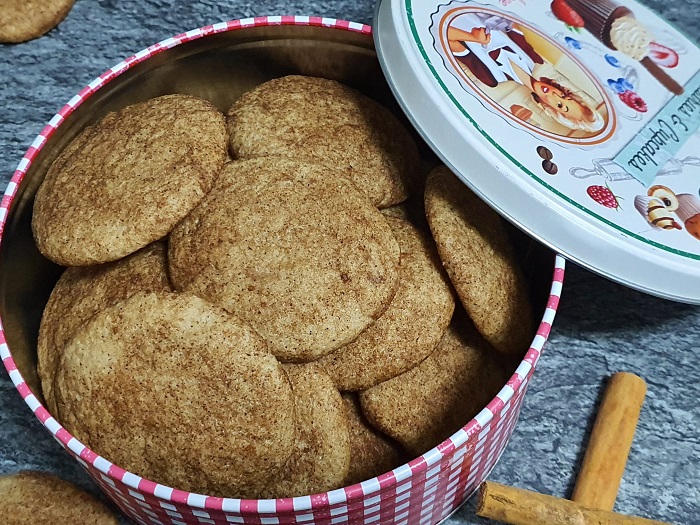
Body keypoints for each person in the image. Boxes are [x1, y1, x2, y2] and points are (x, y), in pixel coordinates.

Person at [447, 12, 604, 133]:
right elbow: (510, 19)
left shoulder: (491, 78)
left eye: (560, 104)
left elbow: (446, 36)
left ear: (550, 109)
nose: (555, 95)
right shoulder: (533, 58)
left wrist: (472, 38)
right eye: (564, 96)